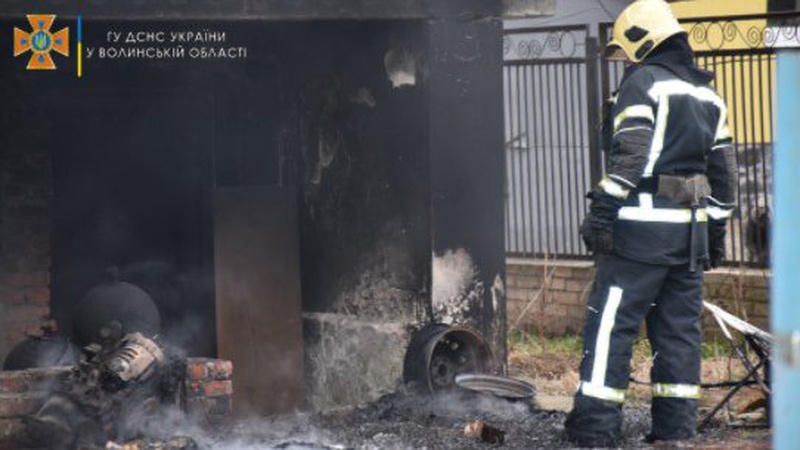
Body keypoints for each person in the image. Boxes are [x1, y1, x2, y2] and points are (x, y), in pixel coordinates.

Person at [564, 0, 737, 446]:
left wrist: (602, 210)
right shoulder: (709, 96)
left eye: (627, 51)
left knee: (611, 329)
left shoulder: (643, 83)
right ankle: (674, 433)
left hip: (638, 240)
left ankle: (595, 431)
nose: (626, 61)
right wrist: (715, 234)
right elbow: (725, 180)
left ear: (644, 39)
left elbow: (631, 157)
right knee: (679, 335)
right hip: (689, 243)